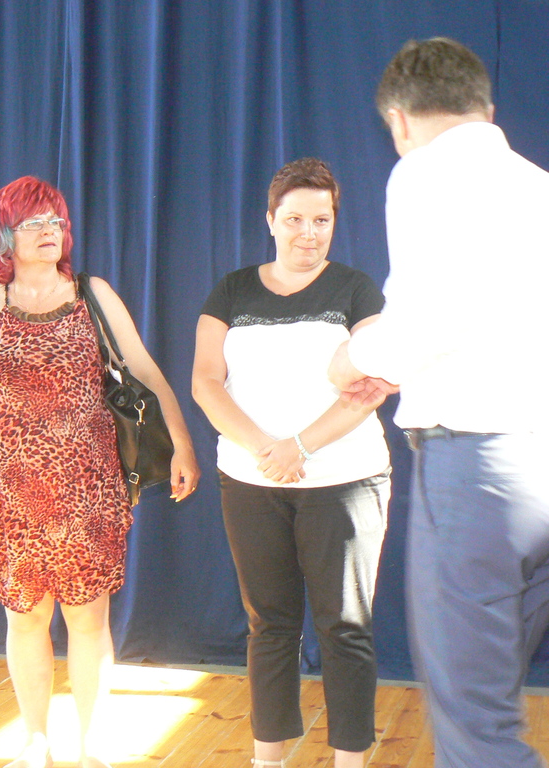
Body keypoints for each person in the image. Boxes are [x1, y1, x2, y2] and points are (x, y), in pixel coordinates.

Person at [329, 37, 549, 768]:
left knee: (477, 726)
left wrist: (355, 358)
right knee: (494, 692)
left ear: (398, 120)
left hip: (481, 472)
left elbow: (428, 322)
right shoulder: (537, 185)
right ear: (486, 107)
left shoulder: (425, 170)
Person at [0, 176, 200, 768]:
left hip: (89, 490)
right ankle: (35, 740)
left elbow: (146, 371)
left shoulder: (94, 295)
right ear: (3, 235)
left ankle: (90, 746)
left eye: (56, 221)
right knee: (25, 619)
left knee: (88, 621)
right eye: (34, 222)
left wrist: (183, 444)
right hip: (8, 493)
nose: (49, 231)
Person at [191, 157, 391, 768]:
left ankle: (349, 759)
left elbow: (371, 389)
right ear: (271, 220)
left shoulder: (357, 289)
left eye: (321, 220)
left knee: (344, 627)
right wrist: (265, 449)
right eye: (295, 219)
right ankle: (268, 758)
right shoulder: (231, 290)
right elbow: (206, 382)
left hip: (345, 480)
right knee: (270, 625)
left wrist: (299, 447)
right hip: (251, 481)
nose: (309, 233)